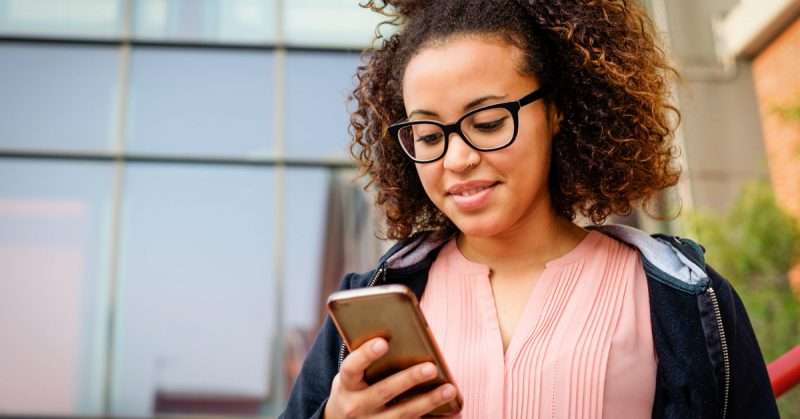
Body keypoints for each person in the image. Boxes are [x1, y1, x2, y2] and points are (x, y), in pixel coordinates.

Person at [280, 1, 779, 418]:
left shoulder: (683, 297)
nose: (457, 159)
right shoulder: (371, 301)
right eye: (429, 135)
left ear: (556, 110)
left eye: (490, 123)